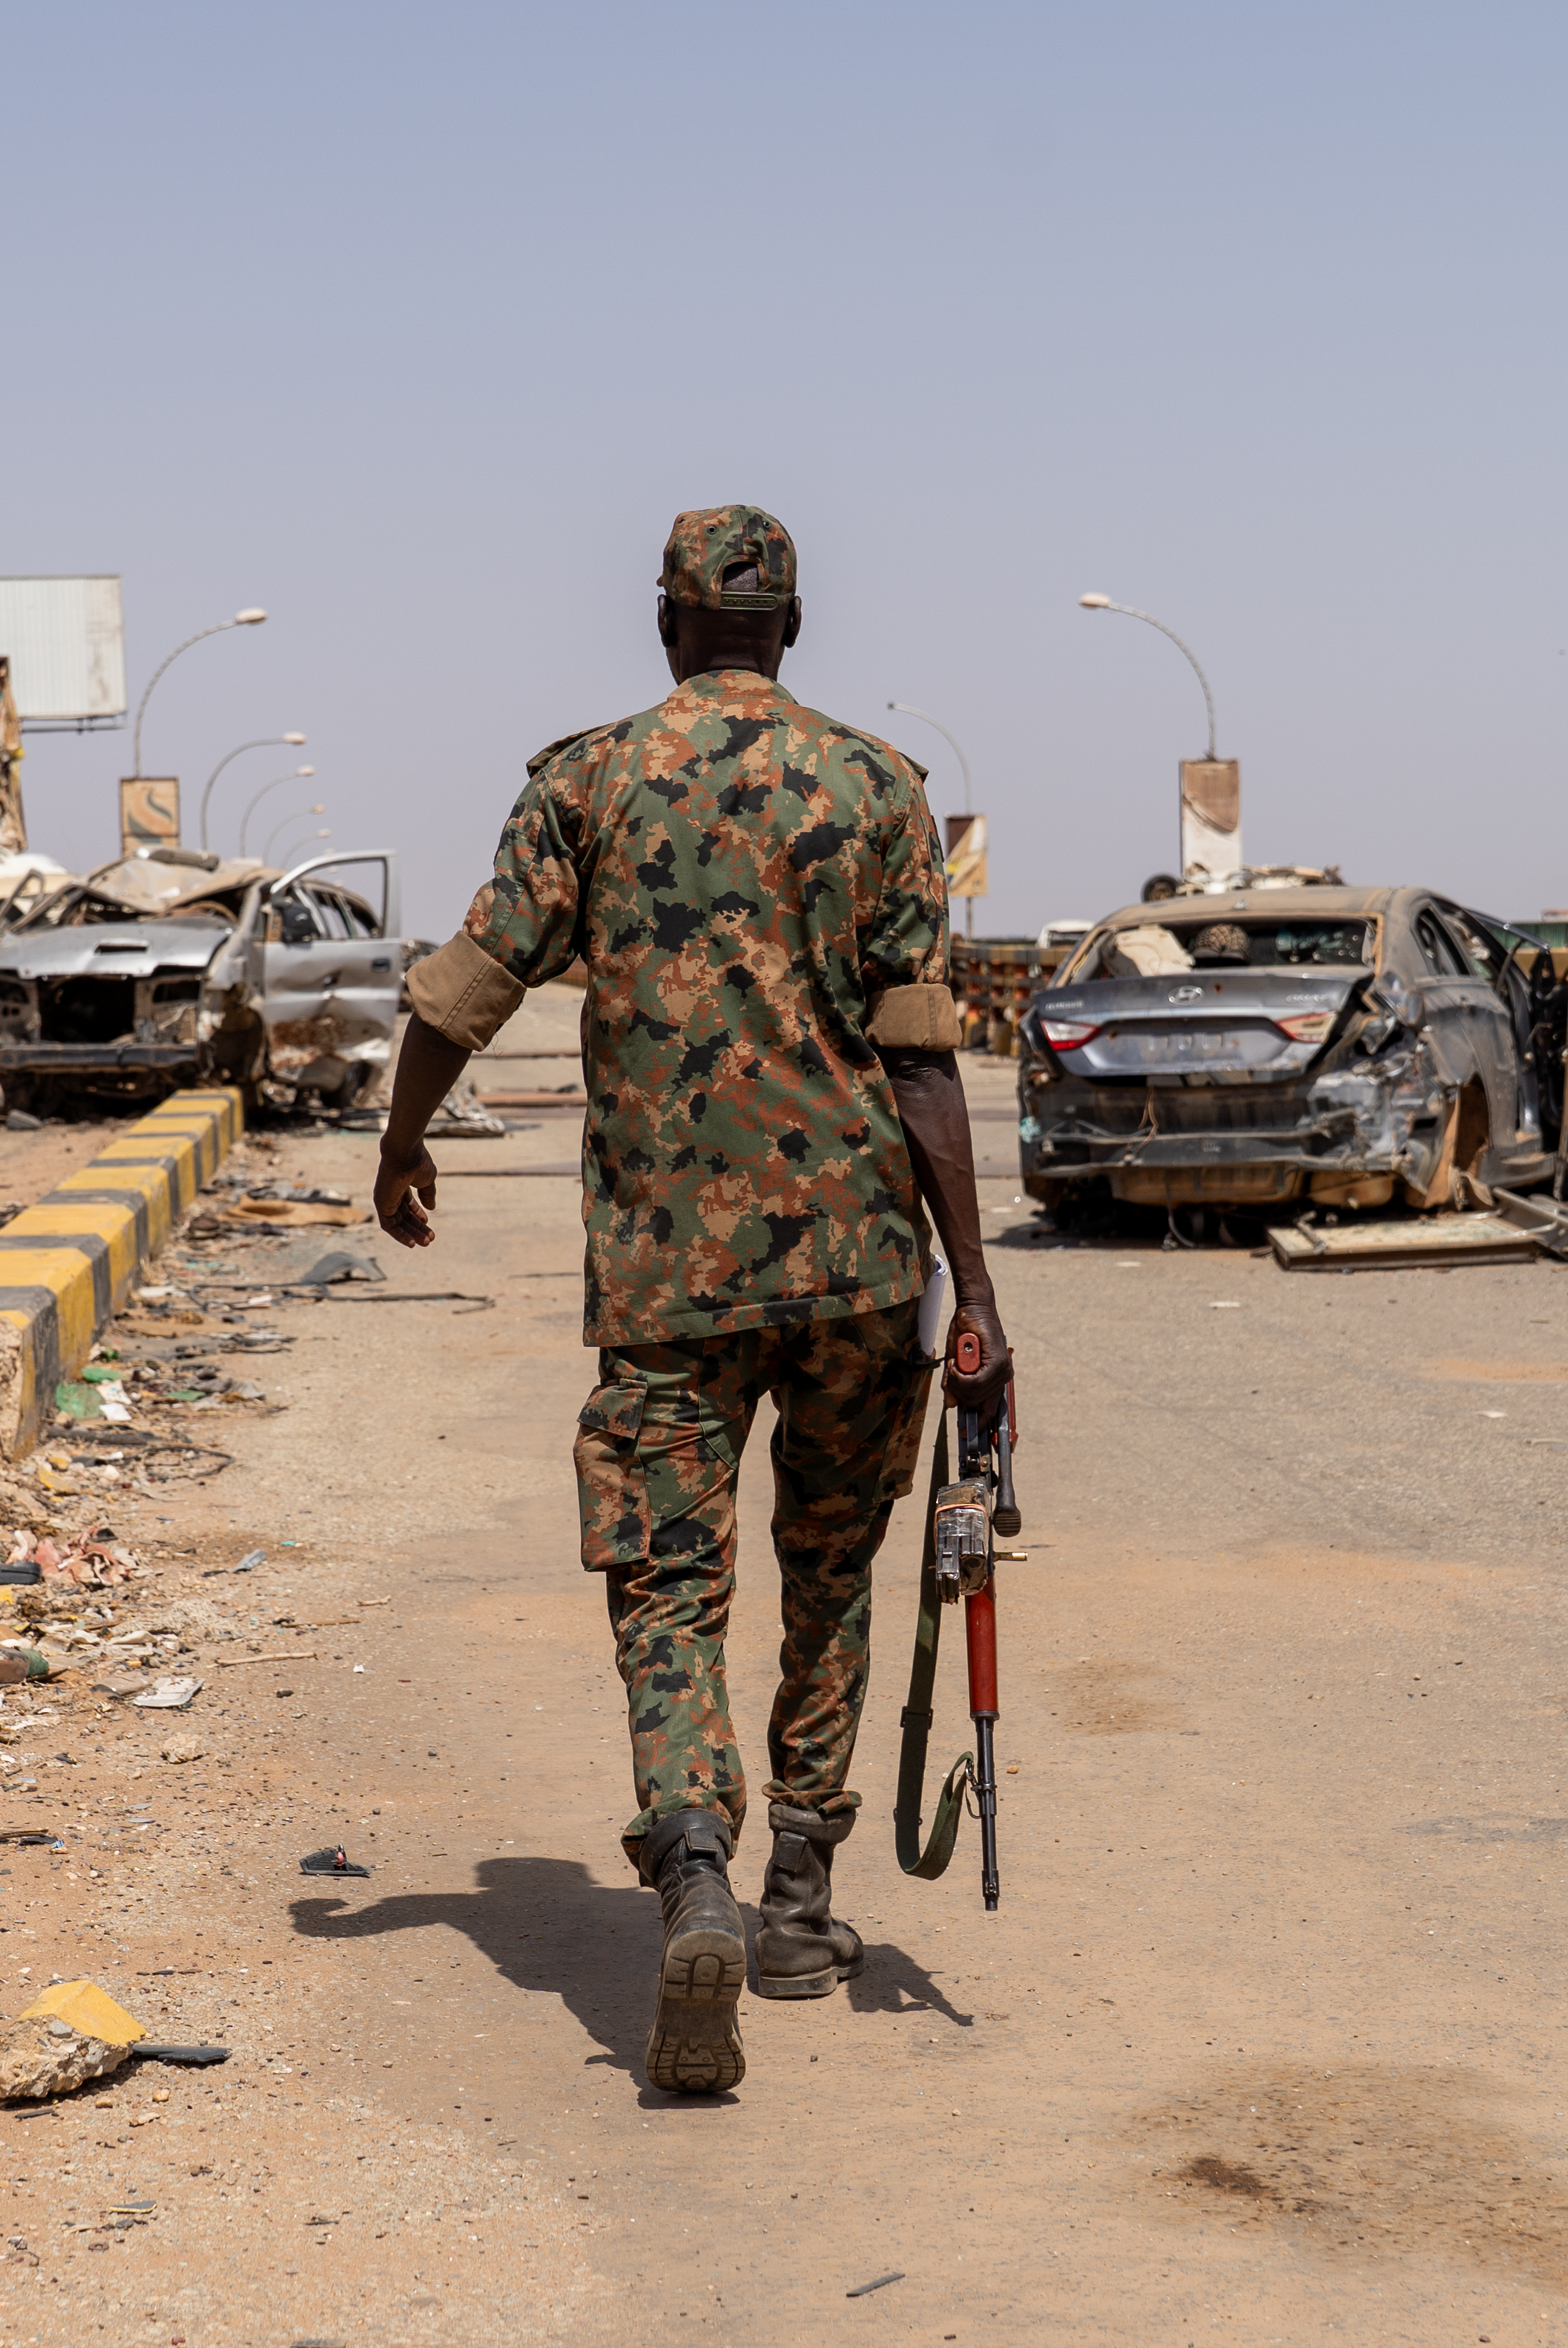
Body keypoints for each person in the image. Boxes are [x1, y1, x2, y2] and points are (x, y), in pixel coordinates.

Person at [369, 503, 1012, 2095]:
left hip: (664, 1280)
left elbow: (470, 982)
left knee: (666, 1587)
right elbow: (923, 1052)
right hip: (861, 1259)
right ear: (790, 627)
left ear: (664, 618)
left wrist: (399, 1136)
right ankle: (796, 1908)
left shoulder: (585, 779)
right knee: (831, 1572)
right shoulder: (878, 787)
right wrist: (977, 1285)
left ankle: (694, 1872)